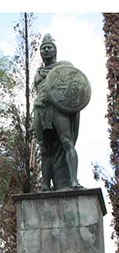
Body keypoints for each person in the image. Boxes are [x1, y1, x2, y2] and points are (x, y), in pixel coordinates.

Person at [33, 34, 83, 190]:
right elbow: (38, 93)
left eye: (49, 47)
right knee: (45, 150)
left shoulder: (65, 67)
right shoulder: (38, 73)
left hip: (59, 108)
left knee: (67, 142)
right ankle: (45, 184)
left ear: (55, 51)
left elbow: (75, 87)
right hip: (42, 110)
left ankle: (73, 181)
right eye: (43, 48)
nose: (46, 50)